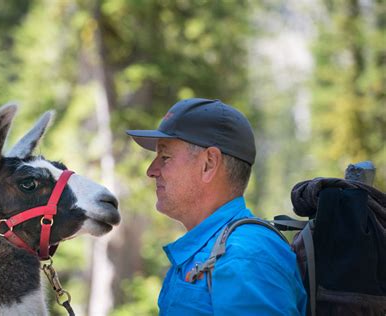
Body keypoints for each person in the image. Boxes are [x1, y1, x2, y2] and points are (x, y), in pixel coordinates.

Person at [126, 98, 307, 315]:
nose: (151, 170)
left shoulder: (244, 257)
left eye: (165, 157)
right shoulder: (214, 251)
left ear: (209, 164)